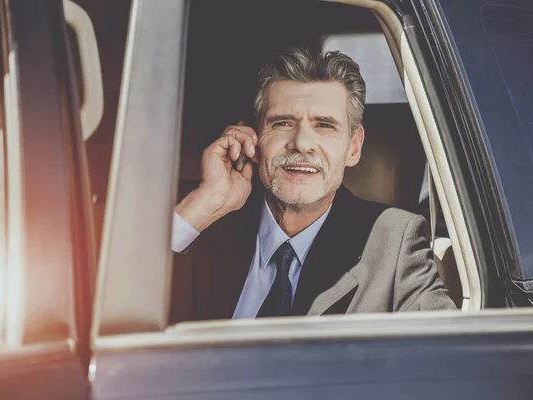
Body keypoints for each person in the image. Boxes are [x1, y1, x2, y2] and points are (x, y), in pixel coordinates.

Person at [171, 45, 456, 320]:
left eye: (325, 125)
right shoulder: (205, 225)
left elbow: (454, 355)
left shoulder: (393, 239)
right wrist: (208, 202)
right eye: (282, 123)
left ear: (354, 148)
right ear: (254, 139)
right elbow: (127, 298)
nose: (301, 144)